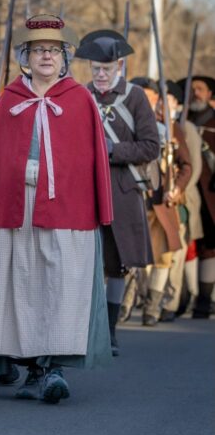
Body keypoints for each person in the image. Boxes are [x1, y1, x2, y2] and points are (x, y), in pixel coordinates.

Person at [0, 14, 113, 404]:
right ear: (25, 57)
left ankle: (55, 367)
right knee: (19, 283)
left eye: (54, 50)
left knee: (60, 283)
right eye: (39, 50)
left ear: (65, 58)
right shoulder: (10, 100)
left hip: (65, 208)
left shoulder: (79, 100)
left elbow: (90, 159)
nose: (47, 57)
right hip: (16, 205)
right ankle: (30, 368)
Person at [74, 30, 159, 352]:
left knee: (117, 263)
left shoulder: (134, 97)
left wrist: (113, 150)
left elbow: (151, 146)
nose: (99, 75)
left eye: (106, 69)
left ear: (119, 66)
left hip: (121, 190)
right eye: (95, 69)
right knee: (84, 261)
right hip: (85, 189)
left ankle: (108, 332)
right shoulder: (81, 95)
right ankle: (83, 330)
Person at [130, 77, 192, 325]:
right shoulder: (130, 123)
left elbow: (186, 165)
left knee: (164, 255)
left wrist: (176, 187)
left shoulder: (173, 128)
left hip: (161, 200)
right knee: (133, 255)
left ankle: (153, 308)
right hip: (134, 197)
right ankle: (128, 301)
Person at [157, 81, 202, 321]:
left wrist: (178, 189)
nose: (164, 105)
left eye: (169, 100)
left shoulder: (187, 129)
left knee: (177, 253)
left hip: (181, 199)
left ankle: (171, 303)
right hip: (158, 198)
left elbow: (192, 167)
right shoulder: (154, 126)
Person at [185, 75, 215, 317]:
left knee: (209, 247)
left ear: (209, 94)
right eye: (192, 89)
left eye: (200, 89)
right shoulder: (182, 119)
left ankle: (204, 300)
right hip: (189, 192)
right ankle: (181, 298)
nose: (195, 93)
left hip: (212, 195)